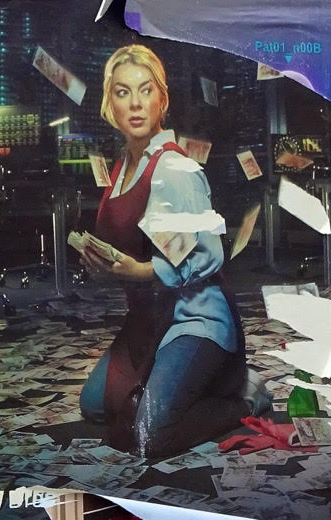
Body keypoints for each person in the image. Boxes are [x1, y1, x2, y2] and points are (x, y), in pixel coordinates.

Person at [78, 44, 252, 460]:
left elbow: (210, 252)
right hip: (148, 320)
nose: (136, 103)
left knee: (150, 436)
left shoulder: (175, 169)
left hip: (195, 318)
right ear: (109, 104)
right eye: (123, 92)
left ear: (162, 100)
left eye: (146, 90)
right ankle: (186, 388)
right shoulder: (123, 166)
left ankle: (243, 400)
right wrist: (106, 265)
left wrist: (140, 272)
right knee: (94, 404)